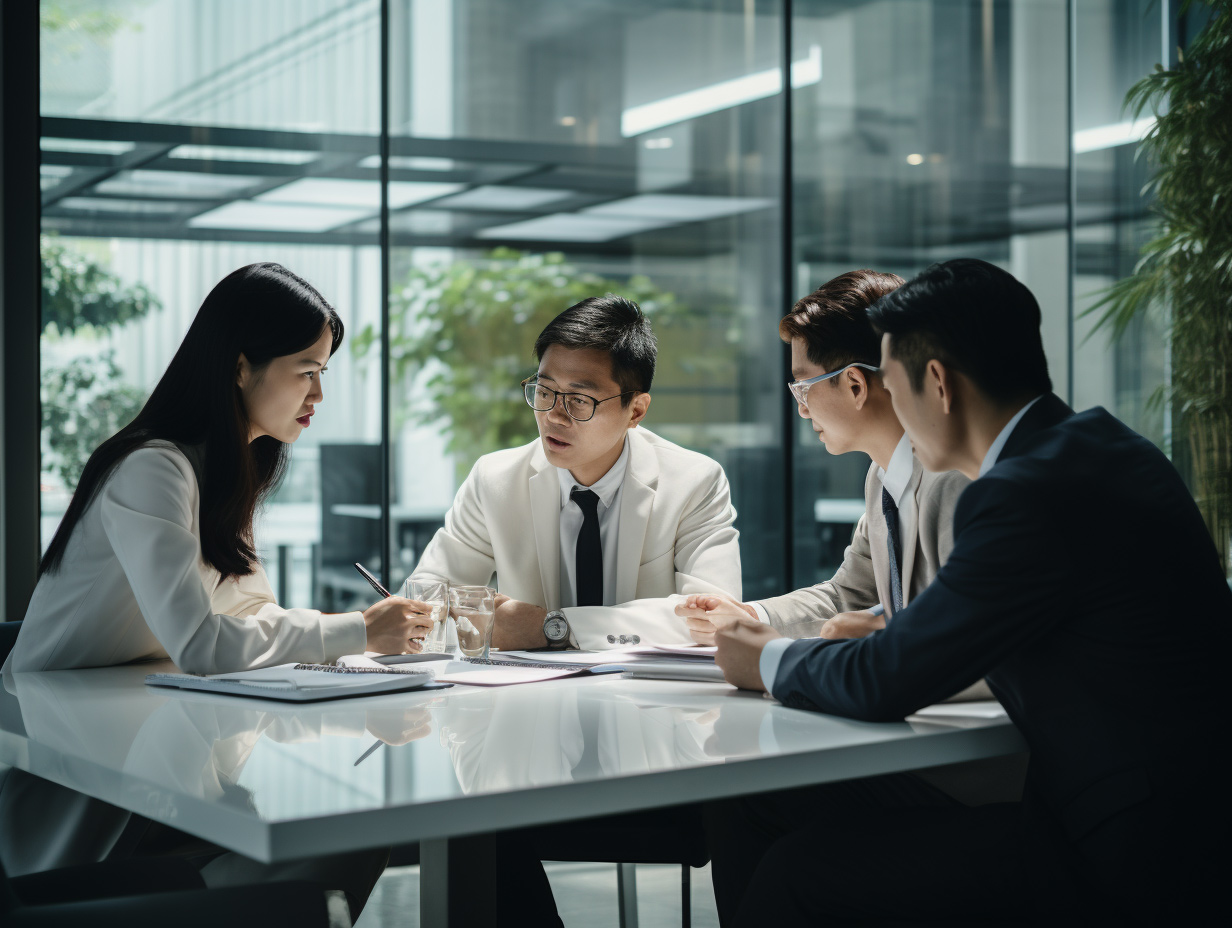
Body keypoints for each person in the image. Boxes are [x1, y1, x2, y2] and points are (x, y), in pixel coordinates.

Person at [706, 258, 1232, 925]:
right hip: (1153, 810)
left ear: (938, 383)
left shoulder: (1023, 495)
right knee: (762, 807)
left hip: (1120, 847)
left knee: (799, 872)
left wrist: (767, 660)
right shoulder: (1098, 449)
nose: (893, 410)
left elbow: (889, 676)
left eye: (894, 388)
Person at [2, 263, 430, 919]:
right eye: (307, 369)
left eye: (324, 372)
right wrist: (359, 630)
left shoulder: (225, 469)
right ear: (239, 367)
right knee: (335, 847)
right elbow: (201, 643)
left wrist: (349, 656)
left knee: (353, 838)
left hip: (149, 754)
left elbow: (248, 613)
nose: (318, 393)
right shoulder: (153, 467)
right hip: (74, 794)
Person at [409, 294, 742, 650]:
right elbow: (425, 602)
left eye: (580, 400)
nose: (554, 415)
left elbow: (716, 620)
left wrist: (554, 628)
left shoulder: (694, 482)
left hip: (648, 700)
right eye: (544, 391)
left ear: (636, 410)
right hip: (527, 697)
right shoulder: (496, 480)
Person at [677, 269, 972, 647]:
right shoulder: (882, 477)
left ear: (854, 385)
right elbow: (848, 595)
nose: (802, 410)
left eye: (803, 388)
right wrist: (751, 616)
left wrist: (887, 637)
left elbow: (970, 632)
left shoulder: (958, 482)